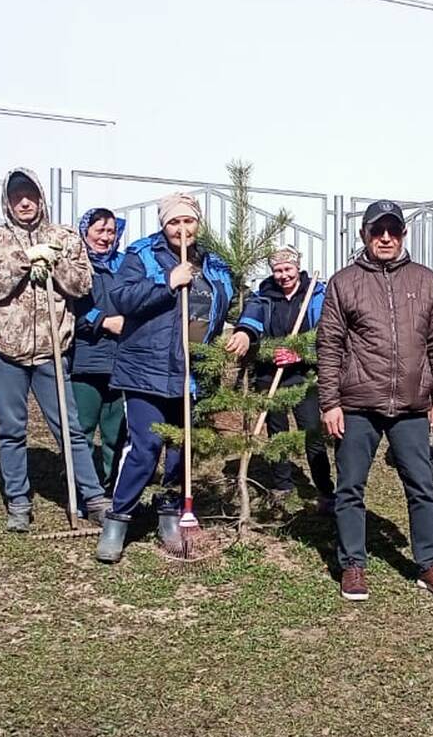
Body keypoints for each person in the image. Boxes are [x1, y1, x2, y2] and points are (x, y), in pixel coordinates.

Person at [316, 200, 433, 602]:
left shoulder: (426, 280)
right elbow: (328, 345)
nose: (385, 238)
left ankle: (430, 563)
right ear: (364, 234)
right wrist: (330, 402)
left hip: (413, 406)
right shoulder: (344, 282)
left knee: (422, 486)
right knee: (350, 488)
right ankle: (353, 565)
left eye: (392, 231)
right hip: (358, 403)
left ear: (402, 235)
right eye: (377, 230)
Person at [98, 192, 235, 562]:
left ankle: (169, 513)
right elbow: (122, 299)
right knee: (145, 448)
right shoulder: (141, 255)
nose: (182, 229)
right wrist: (167, 281)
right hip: (146, 370)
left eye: (188, 221)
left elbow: (231, 301)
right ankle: (117, 519)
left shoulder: (215, 264)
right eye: (174, 222)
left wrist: (244, 331)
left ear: (198, 223)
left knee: (180, 452)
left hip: (191, 372)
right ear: (163, 225)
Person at [0, 168, 109, 533]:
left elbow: (82, 285)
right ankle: (18, 502)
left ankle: (92, 497)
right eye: (17, 195)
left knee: (70, 428)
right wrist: (22, 262)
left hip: (52, 349)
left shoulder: (63, 237)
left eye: (30, 193)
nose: (25, 201)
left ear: (41, 197)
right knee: (11, 430)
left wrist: (55, 262)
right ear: (7, 201)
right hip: (5, 349)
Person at [229, 246, 333, 510]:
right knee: (276, 432)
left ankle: (325, 490)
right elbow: (251, 320)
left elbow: (326, 335)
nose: (283, 275)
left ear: (297, 268)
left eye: (288, 269)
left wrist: (300, 352)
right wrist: (244, 332)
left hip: (303, 377)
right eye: (278, 270)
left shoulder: (315, 295)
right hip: (269, 375)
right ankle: (282, 484)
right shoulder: (265, 296)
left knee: (311, 433)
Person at [71, 208, 128, 489]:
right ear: (85, 232)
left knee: (116, 431)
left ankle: (111, 485)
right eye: (99, 231)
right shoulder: (75, 267)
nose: (105, 238)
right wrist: (103, 321)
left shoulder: (124, 265)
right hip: (87, 361)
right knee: (82, 427)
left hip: (120, 363)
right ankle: (83, 487)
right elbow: (71, 309)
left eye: (111, 231)